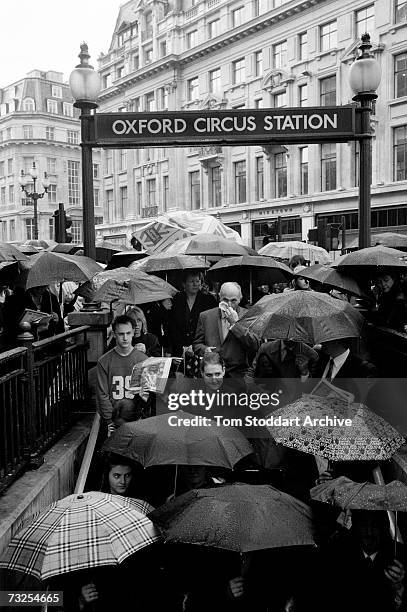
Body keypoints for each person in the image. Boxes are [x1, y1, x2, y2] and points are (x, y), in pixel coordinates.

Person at [316, 510, 406, 612]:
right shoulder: (339, 558)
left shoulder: (399, 558)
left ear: (384, 527)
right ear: (355, 527)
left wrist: (398, 587)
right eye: (364, 525)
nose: (369, 532)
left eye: (375, 525)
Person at [193, 282, 261, 377]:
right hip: (213, 374)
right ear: (219, 297)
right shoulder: (205, 316)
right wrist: (205, 350)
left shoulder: (249, 316)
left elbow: (255, 345)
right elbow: (196, 344)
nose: (229, 305)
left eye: (233, 301)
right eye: (225, 300)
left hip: (238, 376)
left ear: (240, 299)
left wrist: (235, 324)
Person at [96, 314, 147, 431]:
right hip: (114, 419)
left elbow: (146, 393)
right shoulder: (104, 361)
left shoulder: (143, 360)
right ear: (114, 334)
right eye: (121, 334)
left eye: (128, 333)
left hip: (136, 419)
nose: (125, 338)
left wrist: (141, 417)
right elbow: (102, 394)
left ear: (133, 332)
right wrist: (110, 421)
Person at [168, 270, 217, 357]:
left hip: (201, 348)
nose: (195, 284)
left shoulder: (209, 300)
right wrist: (182, 348)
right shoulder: (177, 300)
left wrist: (196, 346)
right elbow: (172, 326)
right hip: (180, 349)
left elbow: (212, 325)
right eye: (192, 281)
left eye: (197, 281)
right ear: (184, 284)